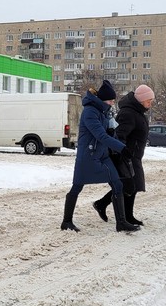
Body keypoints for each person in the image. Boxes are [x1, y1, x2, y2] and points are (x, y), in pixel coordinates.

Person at [61, 80, 140, 233]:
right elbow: (101, 136)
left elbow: (109, 133)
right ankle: (66, 221)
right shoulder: (90, 112)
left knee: (117, 184)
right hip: (88, 157)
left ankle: (121, 222)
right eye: (110, 100)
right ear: (103, 99)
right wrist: (122, 149)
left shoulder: (103, 111)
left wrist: (116, 138)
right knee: (77, 187)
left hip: (102, 156)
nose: (112, 102)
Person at [92, 84, 154, 226]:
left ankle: (106, 206)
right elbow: (119, 135)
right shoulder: (129, 113)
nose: (150, 103)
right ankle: (122, 215)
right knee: (129, 186)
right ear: (140, 99)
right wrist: (122, 152)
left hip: (135, 155)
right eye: (148, 100)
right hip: (128, 156)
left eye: (151, 100)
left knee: (133, 186)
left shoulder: (138, 112)